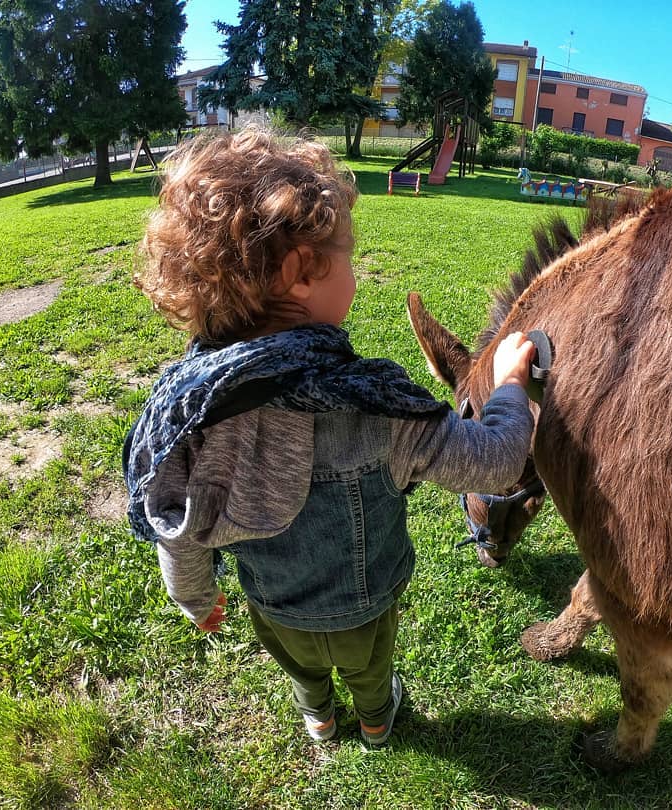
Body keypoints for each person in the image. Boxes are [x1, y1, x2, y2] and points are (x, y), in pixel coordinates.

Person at [123, 126, 535, 747]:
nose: (355, 272)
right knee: (371, 670)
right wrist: (508, 388)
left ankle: (318, 717)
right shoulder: (374, 407)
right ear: (300, 271)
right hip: (366, 607)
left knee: (304, 670)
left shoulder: (186, 415)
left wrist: (195, 598)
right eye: (347, 256)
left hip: (274, 610)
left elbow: (176, 530)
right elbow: (497, 464)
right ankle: (374, 720)